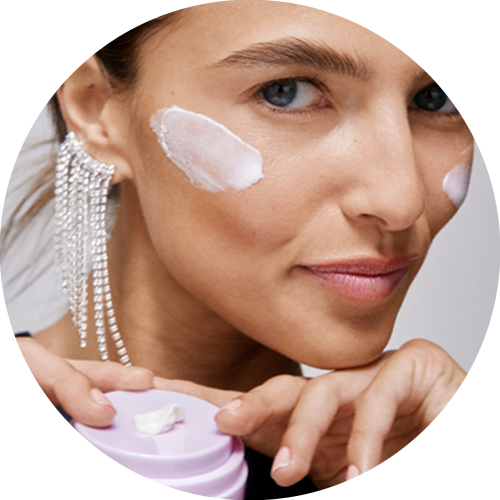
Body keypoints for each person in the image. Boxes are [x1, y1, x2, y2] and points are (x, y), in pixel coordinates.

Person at [1, 0, 498, 498]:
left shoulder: (440, 476)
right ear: (93, 105)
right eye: (288, 92)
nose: (402, 200)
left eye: (438, 96)